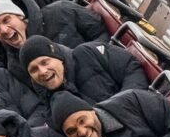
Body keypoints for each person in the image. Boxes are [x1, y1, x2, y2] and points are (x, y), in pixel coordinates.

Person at [17, 34, 149, 105]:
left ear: (58, 58)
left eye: (45, 62)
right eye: (34, 70)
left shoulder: (87, 53)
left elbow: (131, 69)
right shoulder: (49, 99)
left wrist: (121, 105)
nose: (42, 71)